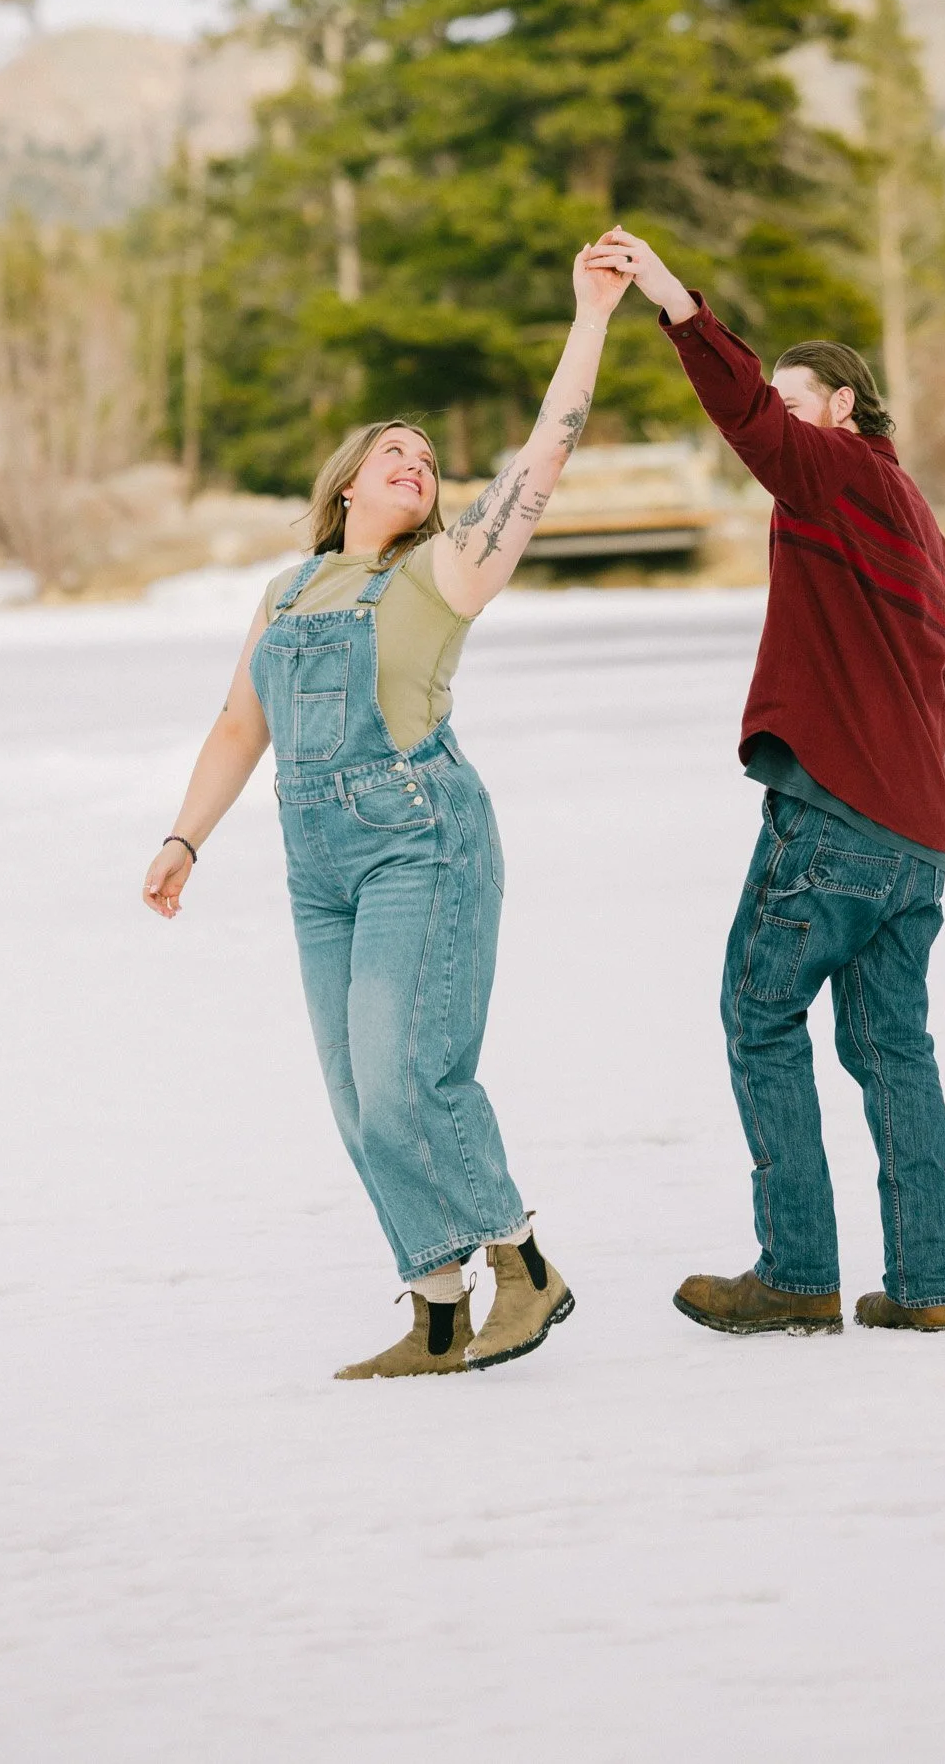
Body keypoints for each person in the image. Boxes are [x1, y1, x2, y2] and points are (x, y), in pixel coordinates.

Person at [142, 243, 631, 1378]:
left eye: (426, 459)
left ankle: (526, 1264)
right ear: (347, 485)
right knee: (362, 1101)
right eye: (391, 454)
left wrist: (590, 319)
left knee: (414, 1076)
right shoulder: (287, 588)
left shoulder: (444, 571)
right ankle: (438, 1307)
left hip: (421, 840)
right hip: (318, 862)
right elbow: (235, 729)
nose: (414, 464)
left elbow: (543, 455)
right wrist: (182, 837)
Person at [594, 229, 945, 1340]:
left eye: (798, 400)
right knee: (892, 1050)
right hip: (915, 837)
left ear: (843, 408)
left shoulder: (835, 472)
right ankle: (925, 1286)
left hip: (838, 819)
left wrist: (670, 301)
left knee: (757, 1017)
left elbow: (747, 412)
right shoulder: (917, 522)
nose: (779, 420)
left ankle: (797, 1273)